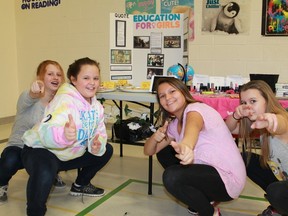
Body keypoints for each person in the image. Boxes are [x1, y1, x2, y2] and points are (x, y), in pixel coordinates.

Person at [21, 57, 113, 216]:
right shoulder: (64, 100)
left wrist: (96, 144)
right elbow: (45, 131)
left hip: (67, 154)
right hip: (40, 150)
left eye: (96, 78)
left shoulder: (96, 107)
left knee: (106, 150)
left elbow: (100, 132)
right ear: (74, 79)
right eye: (86, 78)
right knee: (44, 170)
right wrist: (63, 135)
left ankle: (80, 185)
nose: (92, 82)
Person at [144, 77, 246, 216]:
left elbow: (193, 126)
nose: (167, 97)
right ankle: (206, 201)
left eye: (172, 91)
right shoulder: (174, 124)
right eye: (162, 96)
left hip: (228, 178)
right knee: (164, 153)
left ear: (183, 92)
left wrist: (186, 146)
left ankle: (208, 212)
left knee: (172, 177)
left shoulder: (195, 110)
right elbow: (149, 151)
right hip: (210, 173)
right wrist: (155, 137)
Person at [0, 60, 66, 204]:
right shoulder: (28, 97)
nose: (55, 77)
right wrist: (33, 91)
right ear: (40, 77)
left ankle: (51, 172)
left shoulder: (60, 102)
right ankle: (1, 183)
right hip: (20, 145)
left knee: (61, 153)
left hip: (41, 148)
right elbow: (30, 95)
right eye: (50, 74)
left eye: (58, 75)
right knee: (9, 159)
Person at [225, 80, 288, 216]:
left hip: (282, 185)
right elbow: (228, 129)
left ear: (267, 100)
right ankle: (280, 206)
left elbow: (282, 124)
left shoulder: (282, 117)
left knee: (275, 192)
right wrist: (236, 115)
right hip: (284, 178)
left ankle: (280, 207)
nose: (248, 107)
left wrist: (273, 120)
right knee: (244, 158)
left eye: (253, 101)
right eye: (243, 103)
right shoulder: (258, 124)